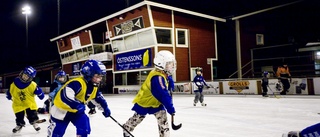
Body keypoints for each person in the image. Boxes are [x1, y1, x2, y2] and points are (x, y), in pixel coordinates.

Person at [47, 59, 111, 137]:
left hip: (76, 111)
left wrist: (105, 108)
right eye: (97, 76)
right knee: (57, 133)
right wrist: (77, 105)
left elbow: (99, 99)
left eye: (101, 76)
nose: (99, 79)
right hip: (61, 111)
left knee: (84, 126)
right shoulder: (76, 83)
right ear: (88, 74)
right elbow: (66, 97)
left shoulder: (94, 87)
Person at [122, 50, 177, 137]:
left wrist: (170, 81)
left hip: (156, 102)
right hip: (145, 101)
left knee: (162, 119)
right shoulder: (157, 77)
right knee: (139, 117)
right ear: (161, 64)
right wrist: (170, 108)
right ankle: (127, 128)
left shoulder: (162, 73)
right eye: (169, 63)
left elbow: (166, 78)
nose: (172, 65)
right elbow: (163, 94)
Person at [6, 66, 45, 133]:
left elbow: (40, 94)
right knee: (19, 116)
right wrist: (9, 95)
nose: (24, 77)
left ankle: (34, 122)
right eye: (24, 75)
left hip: (29, 104)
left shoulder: (33, 85)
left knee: (32, 114)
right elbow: (10, 90)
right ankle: (19, 124)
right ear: (22, 73)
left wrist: (40, 94)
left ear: (30, 78)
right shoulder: (15, 82)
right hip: (18, 104)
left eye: (27, 76)